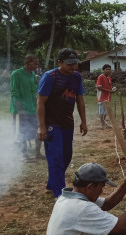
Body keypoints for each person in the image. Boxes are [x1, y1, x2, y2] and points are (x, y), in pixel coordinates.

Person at [37, 48, 88, 197]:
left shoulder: (76, 77)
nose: (73, 67)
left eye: (75, 64)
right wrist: (41, 126)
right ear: (60, 62)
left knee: (66, 156)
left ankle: (53, 184)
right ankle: (60, 193)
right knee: (56, 157)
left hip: (67, 123)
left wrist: (84, 122)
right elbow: (40, 102)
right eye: (69, 64)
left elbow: (80, 100)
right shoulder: (50, 77)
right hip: (52, 123)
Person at [10, 54, 42, 158]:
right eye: (35, 63)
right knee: (22, 131)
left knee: (38, 129)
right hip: (21, 109)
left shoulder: (32, 74)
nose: (37, 66)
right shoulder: (16, 74)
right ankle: (24, 154)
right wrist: (20, 110)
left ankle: (37, 153)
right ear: (28, 63)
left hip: (33, 108)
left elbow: (34, 91)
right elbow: (15, 93)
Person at [96, 64, 114, 129]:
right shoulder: (101, 77)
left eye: (109, 69)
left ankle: (105, 123)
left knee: (106, 111)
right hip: (102, 97)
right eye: (107, 69)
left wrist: (112, 90)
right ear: (103, 70)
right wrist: (109, 91)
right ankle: (103, 125)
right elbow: (99, 87)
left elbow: (109, 87)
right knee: (102, 111)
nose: (108, 71)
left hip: (108, 97)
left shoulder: (109, 78)